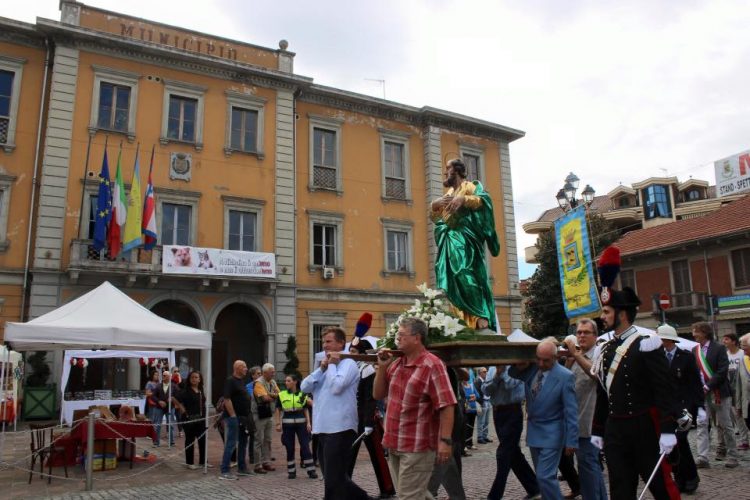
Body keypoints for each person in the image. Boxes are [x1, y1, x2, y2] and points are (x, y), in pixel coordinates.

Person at [591, 285, 687, 500]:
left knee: (661, 487)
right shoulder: (605, 349)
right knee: (620, 487)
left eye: (607, 312)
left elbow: (664, 389)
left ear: (622, 314)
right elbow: (603, 393)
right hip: (615, 428)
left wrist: (667, 428)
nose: (602, 316)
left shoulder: (647, 345)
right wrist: (598, 429)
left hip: (643, 427)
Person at [373, 317, 457, 500]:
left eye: (401, 335)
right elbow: (378, 395)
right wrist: (381, 368)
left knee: (408, 496)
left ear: (417, 338)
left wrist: (445, 441)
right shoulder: (396, 363)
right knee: (416, 494)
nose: (397, 338)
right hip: (394, 442)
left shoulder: (432, 365)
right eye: (397, 334)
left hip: (417, 447)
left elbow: (447, 405)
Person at [301, 326, 371, 500]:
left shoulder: (349, 363)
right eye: (324, 341)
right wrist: (322, 369)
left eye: (329, 341)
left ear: (341, 343)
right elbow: (304, 387)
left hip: (340, 428)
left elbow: (337, 387)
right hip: (322, 428)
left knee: (334, 478)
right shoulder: (324, 367)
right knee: (335, 477)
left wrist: (331, 365)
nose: (324, 345)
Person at [430, 157, 500, 331]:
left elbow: (483, 201)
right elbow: (437, 219)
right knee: (451, 279)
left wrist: (464, 200)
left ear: (458, 170)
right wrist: (434, 205)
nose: (445, 172)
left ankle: (480, 316)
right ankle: (461, 318)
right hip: (449, 238)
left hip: (466, 238)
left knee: (465, 273)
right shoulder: (446, 195)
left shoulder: (470, 186)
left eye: (448, 168)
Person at [510, 339, 578, 500]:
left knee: (544, 476)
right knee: (544, 479)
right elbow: (511, 373)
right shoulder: (533, 370)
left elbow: (571, 410)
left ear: (555, 357)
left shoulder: (565, 376)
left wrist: (571, 440)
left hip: (553, 434)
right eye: (538, 358)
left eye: (545, 360)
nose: (541, 363)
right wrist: (521, 364)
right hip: (534, 433)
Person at [562, 320, 608, 500]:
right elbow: (564, 381)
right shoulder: (576, 356)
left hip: (591, 423)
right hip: (575, 422)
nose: (581, 335)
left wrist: (577, 355)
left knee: (588, 468)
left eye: (586, 332)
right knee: (590, 468)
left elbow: (595, 373)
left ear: (595, 336)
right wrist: (570, 359)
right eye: (579, 332)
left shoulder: (599, 354)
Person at [347, 338, 396, 498]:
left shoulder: (368, 370)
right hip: (353, 417)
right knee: (349, 454)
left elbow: (370, 398)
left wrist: (368, 422)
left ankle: (387, 488)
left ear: (362, 354)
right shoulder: (352, 368)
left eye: (353, 352)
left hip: (367, 418)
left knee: (377, 456)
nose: (350, 354)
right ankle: (343, 486)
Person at [482, 365, 540, 500]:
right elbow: (486, 390)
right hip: (497, 413)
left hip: (512, 412)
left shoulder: (518, 368)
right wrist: (496, 375)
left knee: (503, 454)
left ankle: (494, 496)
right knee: (513, 455)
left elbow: (510, 385)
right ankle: (535, 488)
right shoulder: (492, 368)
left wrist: (502, 373)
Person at [657, 324, 702, 493]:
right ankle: (679, 478)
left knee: (681, 441)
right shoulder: (658, 357)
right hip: (667, 410)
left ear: (668, 339)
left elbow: (695, 385)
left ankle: (691, 477)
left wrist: (697, 408)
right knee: (671, 445)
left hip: (684, 407)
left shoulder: (686, 357)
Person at [692, 321, 739, 468]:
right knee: (701, 424)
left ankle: (732, 456)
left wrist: (708, 386)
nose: (694, 334)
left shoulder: (718, 348)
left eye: (696, 331)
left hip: (719, 392)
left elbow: (722, 371)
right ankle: (702, 457)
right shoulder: (695, 350)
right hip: (702, 393)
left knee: (725, 424)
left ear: (705, 332)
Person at [275, 374, 318, 480]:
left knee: (305, 447)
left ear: (295, 382)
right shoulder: (282, 394)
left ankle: (311, 471)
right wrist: (277, 423)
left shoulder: (303, 394)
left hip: (301, 424)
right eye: (286, 381)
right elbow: (278, 409)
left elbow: (305, 409)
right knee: (289, 448)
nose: (286, 383)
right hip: (287, 424)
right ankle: (291, 471)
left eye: (288, 381)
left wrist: (308, 423)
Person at [219, 360, 254, 480]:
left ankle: (242, 468)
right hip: (234, 418)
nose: (246, 369)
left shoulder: (241, 381)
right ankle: (225, 470)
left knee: (243, 443)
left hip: (244, 418)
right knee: (231, 444)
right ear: (238, 368)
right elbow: (227, 399)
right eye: (244, 367)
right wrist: (233, 415)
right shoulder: (230, 381)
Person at [174, 370, 208, 470]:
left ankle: (203, 461)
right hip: (189, 419)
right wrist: (182, 408)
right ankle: (190, 462)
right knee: (190, 440)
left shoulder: (201, 390)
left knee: (202, 440)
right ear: (189, 379)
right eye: (192, 377)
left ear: (200, 379)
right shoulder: (186, 390)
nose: (194, 379)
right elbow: (174, 398)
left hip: (201, 419)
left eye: (196, 377)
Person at [722, 333, 749, 449]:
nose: (724, 341)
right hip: (732, 389)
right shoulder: (725, 355)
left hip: (743, 388)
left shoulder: (742, 354)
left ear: (734, 341)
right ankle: (744, 440)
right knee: (738, 415)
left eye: (726, 339)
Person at [253, 363, 279, 474]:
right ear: (265, 373)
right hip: (259, 414)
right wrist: (272, 395)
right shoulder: (258, 383)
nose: (274, 373)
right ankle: (257, 465)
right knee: (259, 439)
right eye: (271, 372)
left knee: (267, 440)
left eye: (273, 371)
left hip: (269, 414)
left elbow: (279, 394)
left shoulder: (272, 382)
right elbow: (265, 398)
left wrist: (270, 395)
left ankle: (266, 462)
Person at [150, 369, 178, 447]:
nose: (163, 376)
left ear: (169, 377)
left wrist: (172, 399)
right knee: (157, 424)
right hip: (159, 408)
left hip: (170, 407)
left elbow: (178, 395)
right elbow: (153, 396)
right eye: (163, 375)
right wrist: (159, 401)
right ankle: (156, 442)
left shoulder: (174, 386)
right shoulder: (158, 385)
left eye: (165, 375)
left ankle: (171, 441)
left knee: (170, 424)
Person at [461, 371, 479, 455]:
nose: (466, 379)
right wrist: (469, 397)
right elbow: (463, 396)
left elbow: (477, 395)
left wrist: (474, 396)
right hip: (466, 409)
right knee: (465, 427)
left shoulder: (471, 385)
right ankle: (464, 444)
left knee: (471, 427)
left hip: (473, 409)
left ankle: (470, 443)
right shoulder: (461, 386)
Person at [474, 367, 492, 444]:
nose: (486, 373)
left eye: (486, 371)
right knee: (481, 420)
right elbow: (477, 393)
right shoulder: (477, 381)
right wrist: (479, 403)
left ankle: (485, 436)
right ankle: (480, 437)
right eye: (484, 372)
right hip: (483, 402)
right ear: (480, 373)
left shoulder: (486, 380)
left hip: (488, 401)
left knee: (486, 421)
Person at [738, 333, 750, 431]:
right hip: (748, 404)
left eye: (745, 348)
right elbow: (739, 385)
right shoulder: (742, 360)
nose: (743, 351)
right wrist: (738, 406)